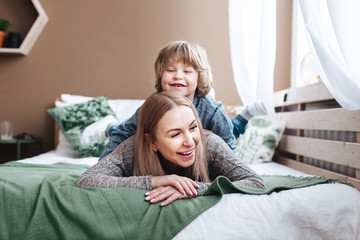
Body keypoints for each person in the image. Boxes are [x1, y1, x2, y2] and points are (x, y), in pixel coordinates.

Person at [80, 41, 267, 160]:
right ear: (160, 75)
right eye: (170, 70)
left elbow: (228, 148)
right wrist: (101, 165)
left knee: (229, 130)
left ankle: (247, 114)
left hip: (209, 129)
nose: (178, 76)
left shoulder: (212, 110)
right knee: (133, 137)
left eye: (187, 71)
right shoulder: (153, 105)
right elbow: (124, 134)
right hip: (156, 141)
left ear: (199, 77)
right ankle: (109, 127)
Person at [75, 93, 266, 206]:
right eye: (175, 134)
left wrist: (194, 190)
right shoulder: (132, 147)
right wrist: (156, 181)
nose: (190, 142)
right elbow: (86, 180)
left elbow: (256, 183)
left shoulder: (211, 144)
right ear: (152, 143)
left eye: (193, 128)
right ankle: (109, 128)